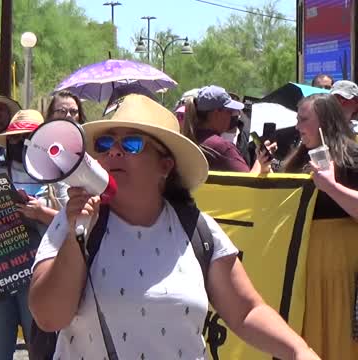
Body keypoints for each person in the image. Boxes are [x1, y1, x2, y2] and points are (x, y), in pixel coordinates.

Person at [28, 94, 320, 360]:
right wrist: (74, 236)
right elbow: (49, 317)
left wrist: (299, 351)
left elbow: (246, 311)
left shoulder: (196, 227)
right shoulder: (69, 223)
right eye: (105, 144)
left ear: (165, 166)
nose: (114, 152)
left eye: (132, 143)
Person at [0, 110, 67, 360]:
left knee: (40, 346)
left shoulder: (57, 176)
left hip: (41, 275)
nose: (19, 143)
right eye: (15, 138)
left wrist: (41, 213)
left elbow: (74, 222)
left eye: (27, 137)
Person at [281, 93, 358, 359]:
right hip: (303, 267)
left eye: (304, 119)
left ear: (324, 121)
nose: (297, 126)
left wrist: (332, 188)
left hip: (343, 268)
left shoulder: (353, 156)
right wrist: (264, 172)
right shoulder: (297, 161)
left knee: (340, 334)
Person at [182, 85, 273, 174]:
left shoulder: (186, 140)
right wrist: (261, 160)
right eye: (229, 111)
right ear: (216, 113)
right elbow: (247, 183)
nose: (232, 116)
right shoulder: (222, 147)